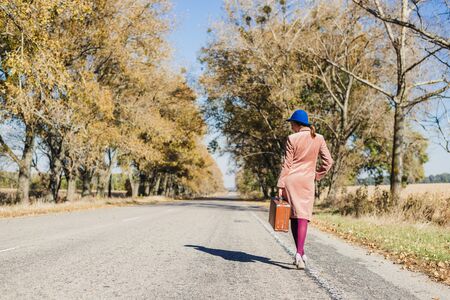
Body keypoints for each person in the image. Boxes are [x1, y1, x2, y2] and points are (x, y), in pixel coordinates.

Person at [277, 109, 333, 270]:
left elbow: (287, 164)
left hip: (291, 181)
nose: (291, 127)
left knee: (294, 216)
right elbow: (328, 161)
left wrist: (280, 184)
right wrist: (318, 175)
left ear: (296, 124)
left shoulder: (292, 138)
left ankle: (299, 253)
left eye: (291, 124)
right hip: (307, 181)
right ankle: (299, 253)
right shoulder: (319, 138)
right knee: (303, 216)